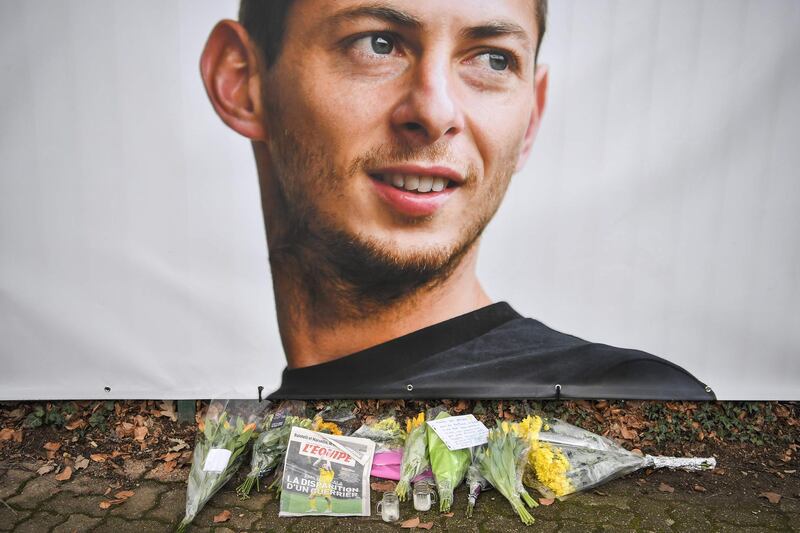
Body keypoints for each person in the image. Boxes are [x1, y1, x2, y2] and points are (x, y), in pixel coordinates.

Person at [200, 0, 714, 400]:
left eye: (493, 60)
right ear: (242, 81)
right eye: (377, 44)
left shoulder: (622, 399)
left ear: (531, 118)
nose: (435, 110)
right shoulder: (244, 451)